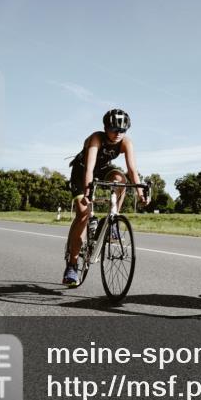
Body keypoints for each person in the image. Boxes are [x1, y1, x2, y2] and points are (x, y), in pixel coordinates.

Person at [63, 108, 148, 286]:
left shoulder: (126, 142)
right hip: (81, 173)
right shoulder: (96, 138)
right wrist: (87, 193)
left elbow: (132, 170)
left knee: (120, 179)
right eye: (114, 129)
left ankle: (112, 219)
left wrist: (140, 193)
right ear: (105, 127)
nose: (118, 134)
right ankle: (72, 265)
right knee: (83, 214)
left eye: (123, 130)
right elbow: (89, 168)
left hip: (102, 170)